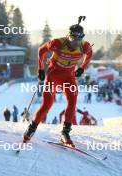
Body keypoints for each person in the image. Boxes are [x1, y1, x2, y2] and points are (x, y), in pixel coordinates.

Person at [23, 16, 92, 147]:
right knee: (47, 104)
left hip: (69, 76)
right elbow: (41, 50)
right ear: (68, 36)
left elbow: (89, 54)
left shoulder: (84, 46)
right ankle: (32, 128)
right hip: (53, 74)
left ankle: (65, 133)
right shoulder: (57, 43)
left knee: (73, 100)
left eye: (79, 39)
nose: (75, 43)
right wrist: (41, 69)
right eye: (73, 39)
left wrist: (82, 68)